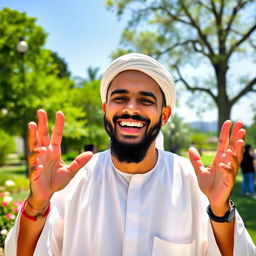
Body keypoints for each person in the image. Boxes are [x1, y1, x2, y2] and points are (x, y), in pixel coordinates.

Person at [5, 53, 256, 256]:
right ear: (106, 109)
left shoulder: (195, 184)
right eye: (120, 98)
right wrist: (37, 204)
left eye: (146, 100)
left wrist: (220, 209)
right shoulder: (71, 184)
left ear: (164, 115)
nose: (131, 109)